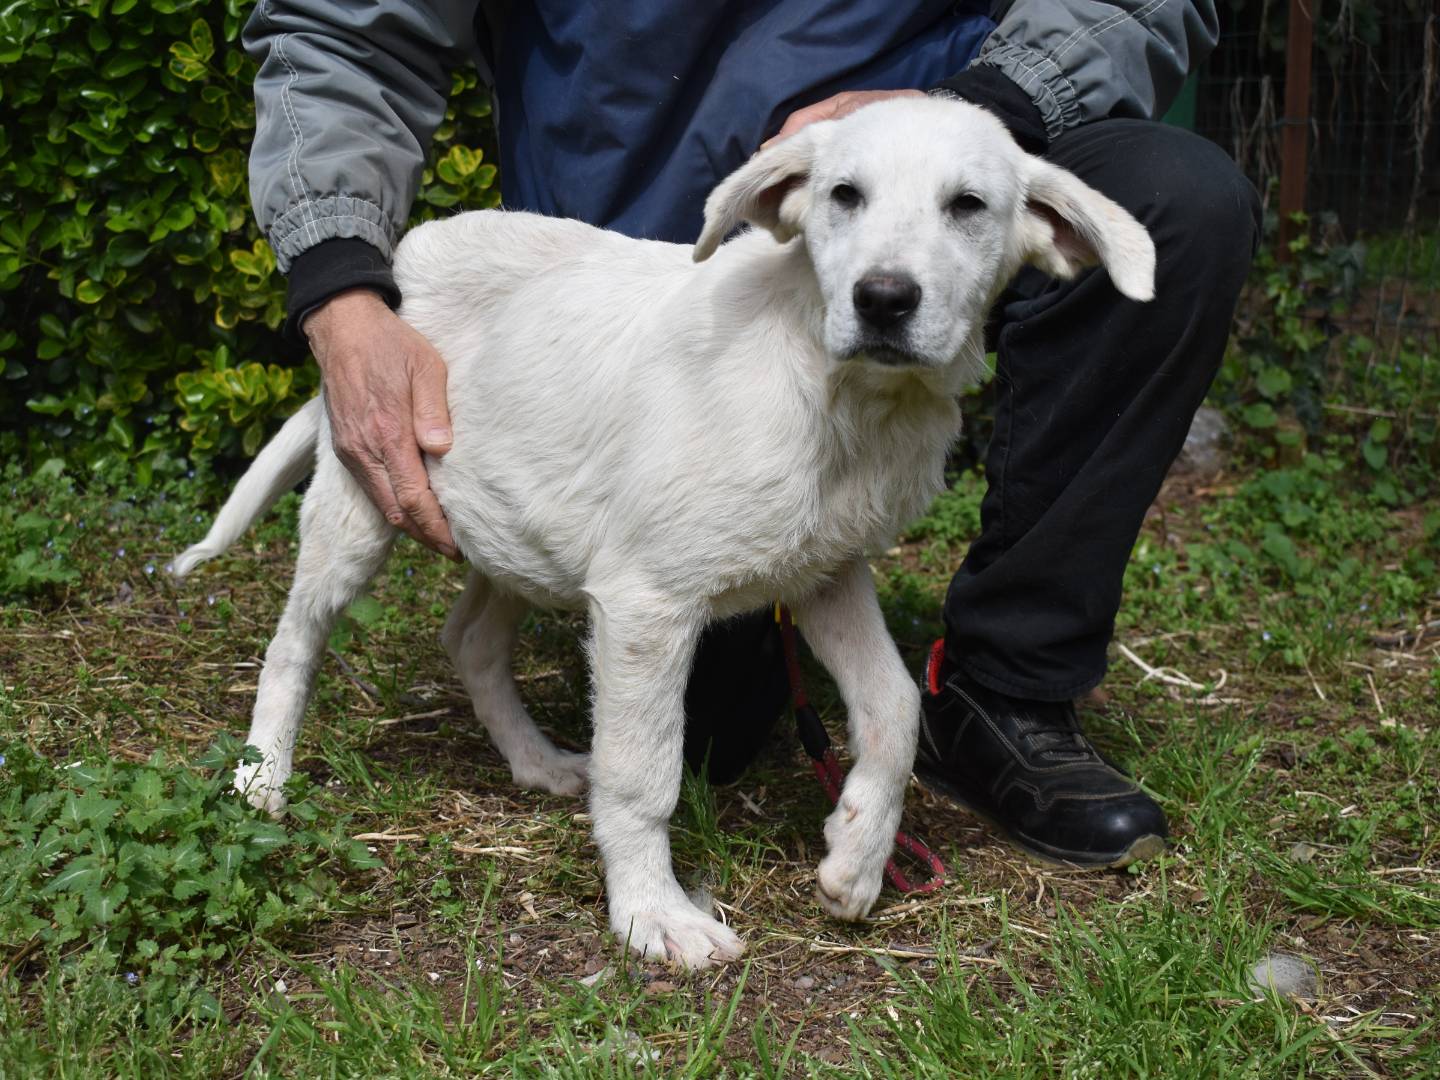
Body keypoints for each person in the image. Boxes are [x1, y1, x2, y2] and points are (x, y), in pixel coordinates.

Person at [244, 1, 1260, 869]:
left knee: (1183, 200)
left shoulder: (980, 202)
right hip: (642, 240)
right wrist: (340, 288)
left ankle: (1008, 692)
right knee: (706, 726)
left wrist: (978, 117)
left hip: (981, 118)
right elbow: (345, 30)